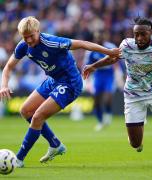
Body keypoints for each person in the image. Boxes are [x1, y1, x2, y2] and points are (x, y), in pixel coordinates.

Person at [0, 16, 121, 167]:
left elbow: (83, 43)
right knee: (25, 111)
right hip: (53, 80)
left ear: (38, 31)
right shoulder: (23, 46)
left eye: (31, 36)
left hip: (70, 83)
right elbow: (8, 68)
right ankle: (55, 144)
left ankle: (18, 159)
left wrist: (109, 51)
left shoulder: (52, 42)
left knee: (37, 116)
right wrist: (4, 85)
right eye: (25, 37)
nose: (29, 40)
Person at [83, 17, 152, 152]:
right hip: (133, 96)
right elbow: (112, 58)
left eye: (143, 34)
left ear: (151, 32)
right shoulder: (127, 45)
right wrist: (94, 66)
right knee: (135, 145)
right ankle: (138, 129)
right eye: (136, 35)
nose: (139, 38)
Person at [85, 31, 117, 131]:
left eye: (100, 37)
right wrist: (87, 80)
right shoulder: (91, 50)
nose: (99, 39)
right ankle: (100, 122)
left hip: (109, 75)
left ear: (104, 37)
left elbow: (117, 60)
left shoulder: (110, 46)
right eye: (97, 38)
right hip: (98, 75)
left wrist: (121, 74)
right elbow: (87, 65)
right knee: (97, 101)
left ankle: (108, 114)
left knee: (108, 98)